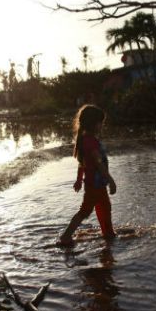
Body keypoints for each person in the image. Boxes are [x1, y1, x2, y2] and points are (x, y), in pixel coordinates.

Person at [58, 104, 117, 246]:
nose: (101, 126)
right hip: (95, 185)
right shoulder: (90, 142)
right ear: (93, 124)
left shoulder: (86, 139)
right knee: (85, 211)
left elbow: (82, 164)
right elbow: (98, 163)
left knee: (104, 207)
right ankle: (66, 237)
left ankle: (108, 233)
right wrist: (111, 180)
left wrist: (79, 180)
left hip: (97, 184)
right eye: (100, 123)